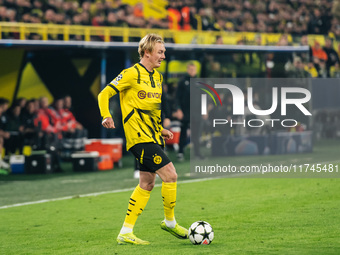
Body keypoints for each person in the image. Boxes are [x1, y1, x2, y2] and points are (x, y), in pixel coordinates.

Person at [98, 33, 188, 245]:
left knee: (147, 184)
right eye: (160, 52)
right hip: (138, 138)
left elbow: (152, 110)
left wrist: (161, 130)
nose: (163, 56)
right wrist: (106, 115)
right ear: (146, 52)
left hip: (152, 136)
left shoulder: (157, 77)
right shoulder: (130, 74)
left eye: (164, 52)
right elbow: (104, 94)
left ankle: (125, 232)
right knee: (171, 175)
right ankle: (170, 222)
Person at [175, 62, 204, 161]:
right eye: (190, 69)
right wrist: (178, 109)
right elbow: (177, 97)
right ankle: (180, 152)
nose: (192, 71)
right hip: (185, 111)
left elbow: (203, 97)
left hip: (197, 112)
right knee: (183, 132)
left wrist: (204, 110)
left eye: (193, 69)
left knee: (196, 134)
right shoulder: (182, 82)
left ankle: (197, 153)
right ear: (187, 70)